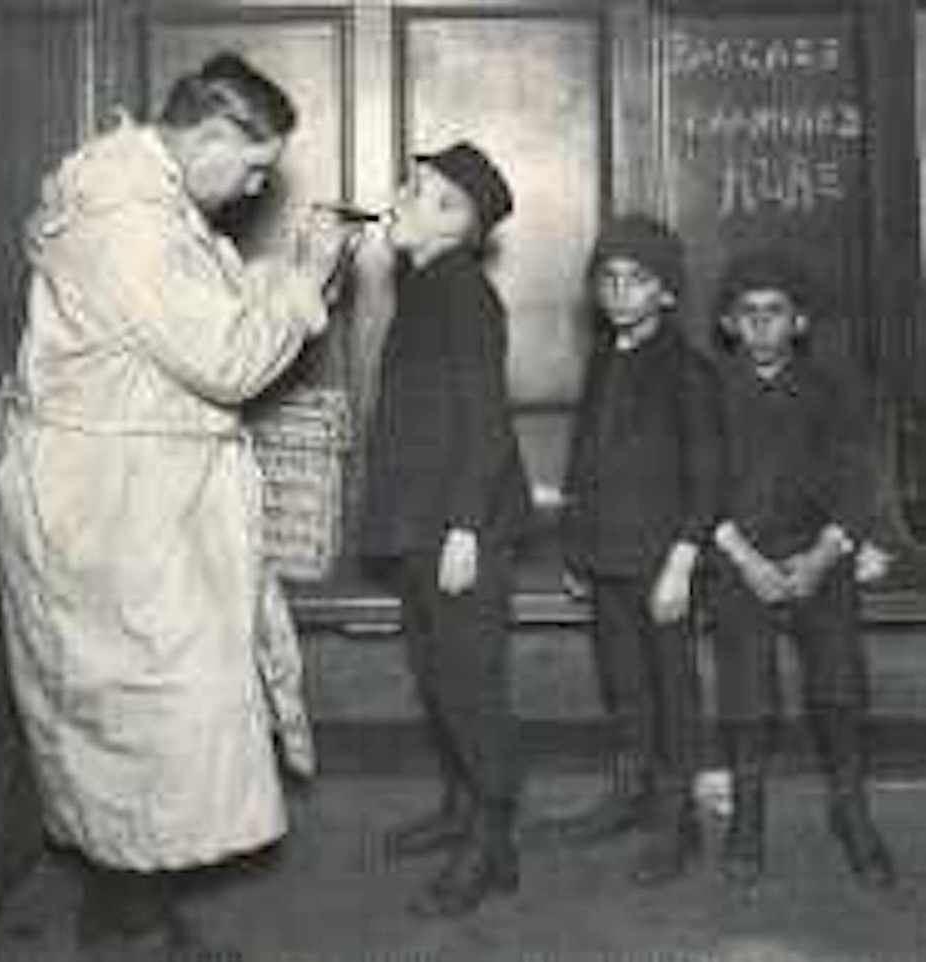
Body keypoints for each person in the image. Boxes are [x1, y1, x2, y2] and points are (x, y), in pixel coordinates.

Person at [0, 51, 355, 951]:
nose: (257, 185)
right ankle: (126, 927)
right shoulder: (129, 225)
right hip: (109, 506)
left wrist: (292, 277)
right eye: (255, 165)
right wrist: (303, 279)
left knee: (148, 717)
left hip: (125, 495)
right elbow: (227, 360)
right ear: (212, 135)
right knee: (138, 711)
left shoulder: (150, 204)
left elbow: (214, 305)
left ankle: (136, 908)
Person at [361, 142, 532, 917]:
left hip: (460, 529)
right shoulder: (431, 285)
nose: (397, 197)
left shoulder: (462, 294)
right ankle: (464, 809)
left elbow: (487, 423)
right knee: (440, 677)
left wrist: (465, 527)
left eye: (420, 192)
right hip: (425, 524)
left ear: (458, 223)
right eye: (408, 185)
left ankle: (492, 842)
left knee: (470, 687)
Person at [709, 249, 895, 891]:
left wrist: (822, 556)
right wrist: (746, 560)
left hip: (819, 551)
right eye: (748, 314)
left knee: (838, 674)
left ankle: (851, 809)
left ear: (800, 321)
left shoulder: (832, 390)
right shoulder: (710, 392)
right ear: (730, 324)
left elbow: (856, 479)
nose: (762, 326)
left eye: (776, 312)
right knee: (745, 676)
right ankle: (748, 814)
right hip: (739, 554)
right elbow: (697, 487)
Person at [561, 215, 721, 884]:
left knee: (672, 692)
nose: (621, 293)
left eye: (638, 281)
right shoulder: (604, 359)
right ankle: (630, 798)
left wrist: (682, 563)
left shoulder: (687, 372)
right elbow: (587, 461)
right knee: (625, 686)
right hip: (607, 559)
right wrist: (577, 551)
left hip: (663, 569)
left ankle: (677, 822)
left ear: (669, 294)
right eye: (610, 279)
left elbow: (710, 479)